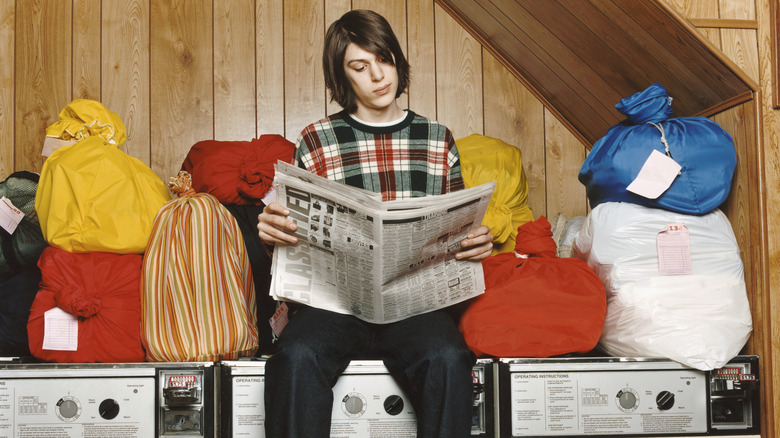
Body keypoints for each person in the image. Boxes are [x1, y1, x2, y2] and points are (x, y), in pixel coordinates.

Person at [257, 9, 493, 437]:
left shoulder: (436, 137)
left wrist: (476, 242)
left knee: (448, 358)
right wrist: (272, 232)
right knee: (293, 359)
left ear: (398, 61)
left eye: (383, 59)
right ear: (342, 78)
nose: (377, 76)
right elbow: (294, 236)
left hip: (413, 306)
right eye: (359, 67)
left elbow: (457, 231)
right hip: (335, 306)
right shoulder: (316, 139)